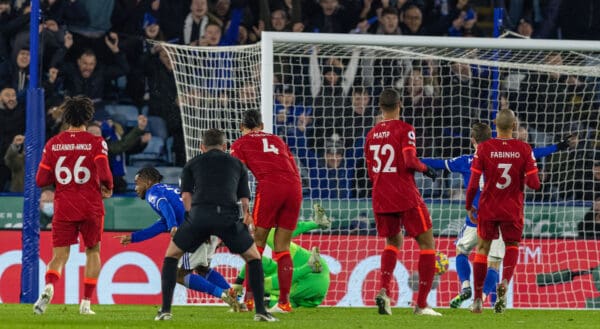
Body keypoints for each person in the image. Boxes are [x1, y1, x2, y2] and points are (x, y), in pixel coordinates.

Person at [422, 124, 577, 308]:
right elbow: (535, 153)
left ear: (473, 140)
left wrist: (414, 160)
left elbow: (439, 163)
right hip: (497, 215)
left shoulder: (466, 161)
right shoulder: (506, 156)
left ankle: (465, 286)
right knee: (494, 264)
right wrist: (558, 146)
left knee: (462, 252)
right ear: (491, 138)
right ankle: (484, 297)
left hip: (475, 217)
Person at [157, 128, 276, 322]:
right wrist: (246, 221)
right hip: (227, 218)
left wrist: (190, 221)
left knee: (171, 257)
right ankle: (261, 312)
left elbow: (186, 196)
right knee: (254, 258)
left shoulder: (191, 164)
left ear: (202, 147)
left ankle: (165, 311)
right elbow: (245, 200)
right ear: (226, 146)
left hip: (199, 217)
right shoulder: (238, 164)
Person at [33, 96, 114, 315]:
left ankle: (49, 286)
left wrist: (58, 175)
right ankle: (86, 303)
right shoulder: (96, 142)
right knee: (93, 251)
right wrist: (108, 186)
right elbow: (105, 173)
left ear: (66, 116)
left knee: (59, 256)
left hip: (64, 205)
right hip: (90, 205)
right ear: (88, 116)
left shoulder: (53, 143)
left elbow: (40, 180)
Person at [114, 167, 238, 307]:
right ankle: (234, 297)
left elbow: (164, 204)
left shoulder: (152, 192)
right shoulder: (169, 189)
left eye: (138, 183)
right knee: (203, 269)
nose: (136, 188)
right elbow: (161, 224)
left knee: (179, 275)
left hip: (195, 228)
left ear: (148, 182)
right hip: (210, 224)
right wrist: (134, 237)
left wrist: (173, 225)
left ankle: (224, 296)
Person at [364, 88, 440, 316]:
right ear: (400, 105)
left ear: (380, 107)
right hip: (404, 194)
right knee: (427, 244)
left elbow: (370, 171)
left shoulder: (371, 134)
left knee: (393, 241)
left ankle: (384, 291)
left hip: (380, 194)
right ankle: (422, 304)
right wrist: (426, 169)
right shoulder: (406, 129)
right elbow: (409, 159)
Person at [465, 109, 541, 314]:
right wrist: (525, 172)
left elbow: (473, 183)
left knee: (482, 250)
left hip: (489, 207)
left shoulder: (484, 148)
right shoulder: (524, 149)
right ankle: (505, 283)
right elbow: (535, 184)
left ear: (495, 126)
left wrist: (468, 205)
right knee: (512, 246)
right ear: (514, 126)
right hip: (512, 209)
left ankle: (478, 299)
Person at [230, 109, 303, 313]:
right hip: (295, 188)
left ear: (241, 128)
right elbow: (293, 167)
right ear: (261, 126)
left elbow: (237, 176)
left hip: (271, 187)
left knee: (258, 244)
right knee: (283, 246)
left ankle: (251, 300)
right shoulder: (277, 140)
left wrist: (244, 209)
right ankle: (284, 303)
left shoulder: (240, 144)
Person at [234, 204, 332, 309]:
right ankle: (317, 224)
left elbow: (252, 260)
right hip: (315, 278)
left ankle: (317, 225)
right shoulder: (276, 269)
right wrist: (239, 282)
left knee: (265, 283)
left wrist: (239, 282)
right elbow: (252, 260)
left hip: (314, 290)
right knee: (274, 237)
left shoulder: (272, 270)